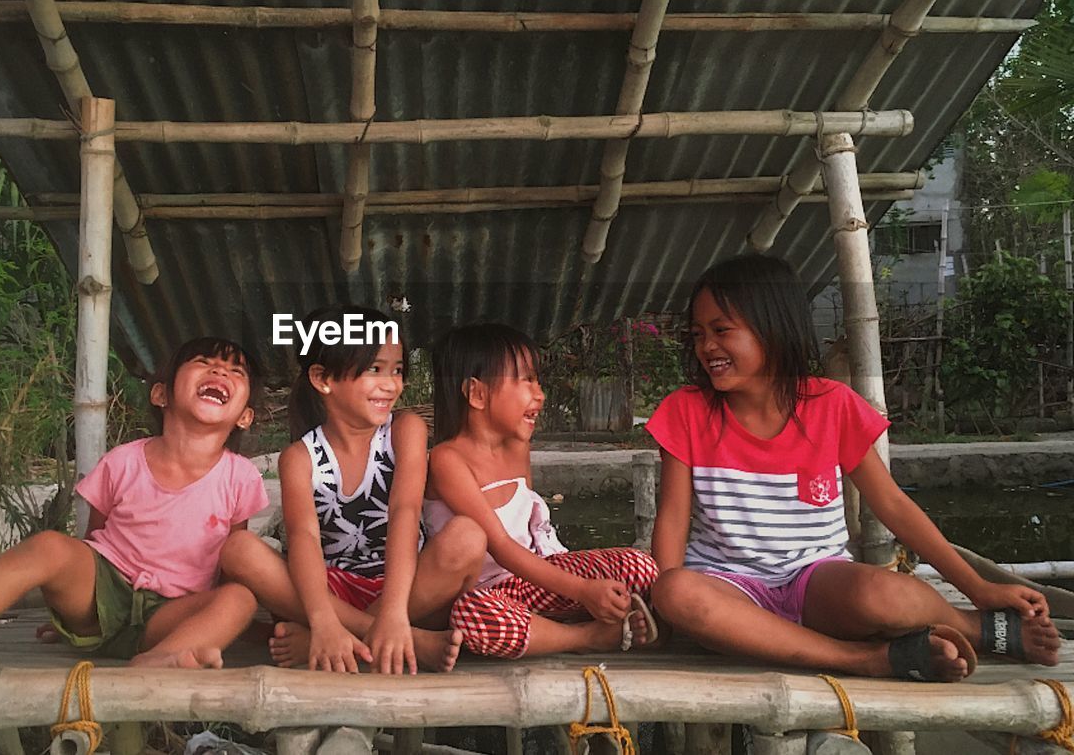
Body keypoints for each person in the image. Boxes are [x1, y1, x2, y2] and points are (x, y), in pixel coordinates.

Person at [647, 254, 1062, 681]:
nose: (706, 346)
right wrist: (662, 604)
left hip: (817, 582)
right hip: (726, 586)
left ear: (773, 327)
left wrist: (979, 588)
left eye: (721, 330)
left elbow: (893, 505)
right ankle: (866, 660)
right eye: (698, 334)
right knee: (678, 592)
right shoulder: (686, 411)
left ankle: (975, 628)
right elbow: (673, 517)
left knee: (884, 595)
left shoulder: (833, 405)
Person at [0, 337, 268, 673]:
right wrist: (71, 599)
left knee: (239, 598)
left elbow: (230, 560)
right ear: (161, 394)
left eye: (235, 370)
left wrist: (213, 622)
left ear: (245, 416)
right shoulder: (123, 461)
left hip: (171, 617)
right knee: (50, 545)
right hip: (102, 598)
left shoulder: (240, 476)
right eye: (204, 362)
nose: (218, 370)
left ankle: (161, 659)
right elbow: (91, 542)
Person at [220, 305, 483, 674]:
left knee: (468, 537)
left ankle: (345, 639)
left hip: (407, 590)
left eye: (398, 370)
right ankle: (367, 637)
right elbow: (304, 539)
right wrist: (323, 619)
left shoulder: (404, 430)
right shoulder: (300, 457)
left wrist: (393, 611)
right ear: (323, 378)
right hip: (330, 592)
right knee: (239, 550)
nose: (392, 384)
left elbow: (404, 511)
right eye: (375, 369)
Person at [425, 322, 660, 659]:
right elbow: (502, 547)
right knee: (472, 617)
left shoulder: (518, 445)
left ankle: (550, 624)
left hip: (537, 579)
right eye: (526, 380)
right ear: (477, 394)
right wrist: (582, 590)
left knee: (640, 567)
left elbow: (534, 534)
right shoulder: (447, 460)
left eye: (537, 380)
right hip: (487, 594)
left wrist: (589, 587)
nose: (540, 393)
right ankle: (585, 636)